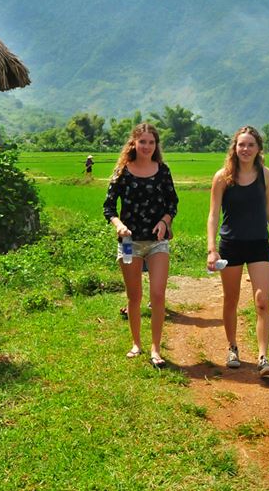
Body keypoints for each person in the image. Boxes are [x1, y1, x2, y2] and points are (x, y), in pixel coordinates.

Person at [206, 126, 269, 379]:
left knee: (262, 301)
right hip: (231, 245)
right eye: (241, 145)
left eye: (250, 145)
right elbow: (213, 214)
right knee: (231, 299)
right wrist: (212, 249)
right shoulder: (222, 177)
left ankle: (263, 357)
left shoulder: (266, 175)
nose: (246, 149)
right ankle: (232, 348)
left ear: (259, 148)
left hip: (259, 243)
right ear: (234, 148)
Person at [103, 124, 178, 369]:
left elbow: (172, 203)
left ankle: (156, 348)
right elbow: (109, 207)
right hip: (128, 243)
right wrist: (118, 225)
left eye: (151, 142)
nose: (147, 146)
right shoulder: (122, 171)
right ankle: (136, 343)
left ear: (156, 146)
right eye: (142, 142)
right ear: (133, 144)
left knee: (157, 294)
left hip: (158, 242)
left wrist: (164, 222)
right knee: (134, 296)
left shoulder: (163, 171)